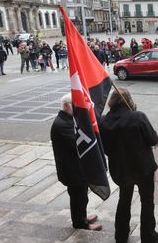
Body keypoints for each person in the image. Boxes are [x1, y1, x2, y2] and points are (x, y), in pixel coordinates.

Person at [100, 88, 158, 243]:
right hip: (143, 169)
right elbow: (153, 139)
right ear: (129, 101)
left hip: (121, 169)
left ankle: (120, 236)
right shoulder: (138, 117)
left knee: (124, 200)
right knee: (147, 201)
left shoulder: (103, 121)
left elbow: (105, 147)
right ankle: (149, 236)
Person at [50, 93, 102, 231]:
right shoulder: (62, 124)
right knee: (78, 197)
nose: (78, 109)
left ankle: (82, 217)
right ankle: (80, 223)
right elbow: (77, 144)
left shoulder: (68, 119)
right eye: (75, 105)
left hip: (76, 168)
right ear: (66, 106)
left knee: (82, 196)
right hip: (71, 170)